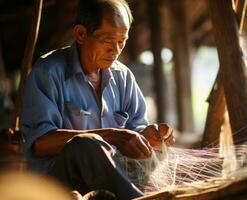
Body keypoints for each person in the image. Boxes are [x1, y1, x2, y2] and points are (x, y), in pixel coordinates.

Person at [20, 0, 174, 199]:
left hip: (109, 180)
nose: (116, 50)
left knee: (155, 152)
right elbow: (39, 143)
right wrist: (113, 135)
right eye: (108, 40)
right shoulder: (48, 72)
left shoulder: (122, 77)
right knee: (85, 145)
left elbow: (135, 131)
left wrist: (148, 137)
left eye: (122, 41)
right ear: (81, 34)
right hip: (56, 185)